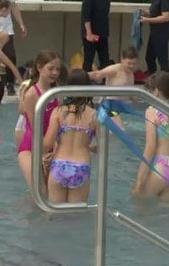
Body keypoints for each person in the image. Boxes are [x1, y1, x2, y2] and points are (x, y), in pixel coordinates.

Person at [43, 69, 97, 203]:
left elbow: (47, 144)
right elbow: (101, 147)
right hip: (81, 167)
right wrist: (88, 147)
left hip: (59, 165)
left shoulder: (58, 112)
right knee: (76, 217)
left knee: (55, 214)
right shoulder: (94, 115)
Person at [17, 50, 64, 191]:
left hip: (51, 147)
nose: (55, 73)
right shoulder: (31, 94)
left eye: (57, 69)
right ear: (39, 67)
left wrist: (55, 151)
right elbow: (35, 127)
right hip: (30, 148)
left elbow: (60, 128)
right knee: (40, 191)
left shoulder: (57, 95)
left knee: (51, 193)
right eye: (51, 68)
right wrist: (43, 154)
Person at [133, 71, 169, 200]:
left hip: (162, 167)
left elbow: (150, 148)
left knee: (139, 202)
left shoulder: (152, 112)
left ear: (155, 92)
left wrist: (139, 179)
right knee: (167, 213)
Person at [88, 46, 139, 130]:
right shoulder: (115, 69)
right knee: (121, 129)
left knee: (124, 129)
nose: (132, 66)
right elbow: (97, 74)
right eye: (129, 63)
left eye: (134, 64)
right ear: (122, 59)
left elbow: (130, 92)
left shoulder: (131, 73)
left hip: (119, 107)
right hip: (109, 106)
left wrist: (139, 100)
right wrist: (79, 76)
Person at [141, 0, 169, 75]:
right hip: (154, 31)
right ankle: (153, 80)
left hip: (162, 32)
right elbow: (155, 11)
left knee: (162, 59)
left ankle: (166, 83)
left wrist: (147, 20)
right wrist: (145, 12)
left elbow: (166, 17)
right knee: (149, 57)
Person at [81, 0, 111, 74]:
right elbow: (86, 16)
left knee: (105, 60)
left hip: (103, 33)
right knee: (88, 59)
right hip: (92, 34)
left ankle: (105, 82)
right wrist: (89, 33)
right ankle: (84, 82)